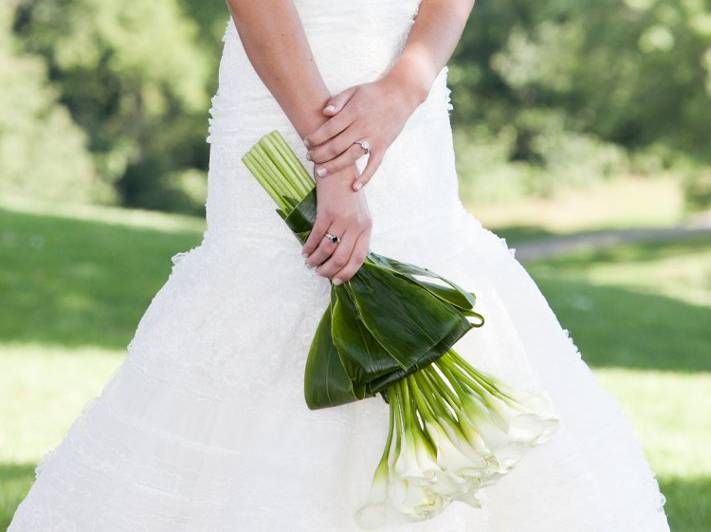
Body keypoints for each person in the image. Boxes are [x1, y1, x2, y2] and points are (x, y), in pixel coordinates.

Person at [9, 0, 671, 530]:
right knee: (272, 302)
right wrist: (332, 160)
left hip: (403, 108)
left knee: (423, 296)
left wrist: (401, 90)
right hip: (284, 91)